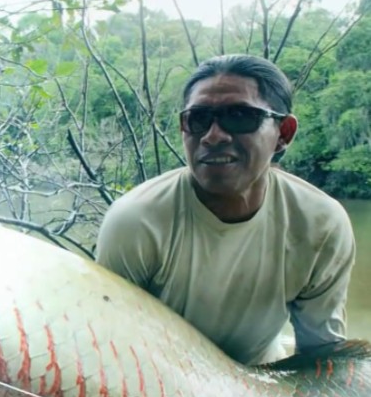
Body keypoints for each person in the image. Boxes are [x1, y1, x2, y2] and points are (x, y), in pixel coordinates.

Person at [96, 54, 356, 366]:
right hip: (161, 383)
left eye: (240, 116)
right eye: (198, 119)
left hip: (264, 387)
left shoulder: (320, 223)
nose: (213, 135)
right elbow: (112, 350)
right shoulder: (137, 220)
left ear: (283, 133)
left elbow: (321, 357)